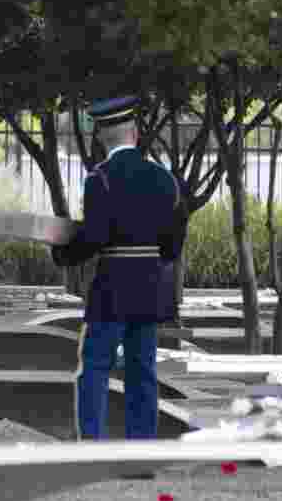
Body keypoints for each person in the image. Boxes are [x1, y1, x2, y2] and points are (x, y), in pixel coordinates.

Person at [51, 95, 186, 440]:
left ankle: (93, 444)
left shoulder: (101, 179)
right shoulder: (164, 179)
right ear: (136, 134)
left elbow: (94, 237)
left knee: (95, 367)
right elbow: (173, 243)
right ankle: (142, 448)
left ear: (100, 138)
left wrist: (63, 252)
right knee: (143, 370)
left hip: (112, 286)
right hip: (150, 286)